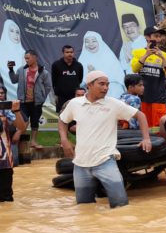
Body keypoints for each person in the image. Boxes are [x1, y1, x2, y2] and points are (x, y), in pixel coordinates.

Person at [58, 71, 151, 208]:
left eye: (107, 84)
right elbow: (62, 120)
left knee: (120, 206)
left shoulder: (113, 104)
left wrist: (146, 139)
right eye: (101, 84)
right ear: (89, 85)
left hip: (106, 161)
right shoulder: (75, 104)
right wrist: (64, 140)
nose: (106, 88)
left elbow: (140, 116)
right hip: (80, 163)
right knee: (84, 207)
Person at [131, 26, 166, 127]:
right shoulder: (138, 52)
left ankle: (159, 142)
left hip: (158, 96)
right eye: (155, 36)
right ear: (147, 37)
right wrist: (146, 55)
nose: (158, 39)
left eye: (160, 36)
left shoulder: (165, 55)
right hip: (143, 96)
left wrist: (162, 58)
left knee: (158, 125)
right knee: (145, 123)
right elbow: (134, 68)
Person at [8, 50, 52, 149]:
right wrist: (11, 70)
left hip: (36, 102)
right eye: (25, 58)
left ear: (35, 57)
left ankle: (33, 141)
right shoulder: (21, 70)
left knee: (35, 122)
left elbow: (48, 86)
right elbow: (14, 80)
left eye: (28, 58)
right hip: (23, 101)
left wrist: (42, 97)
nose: (26, 60)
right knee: (22, 120)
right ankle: (18, 137)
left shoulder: (43, 72)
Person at [79, 31, 126, 99]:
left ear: (99, 42)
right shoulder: (82, 59)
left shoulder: (109, 56)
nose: (90, 44)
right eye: (87, 42)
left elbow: (118, 78)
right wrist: (89, 75)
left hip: (113, 92)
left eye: (94, 41)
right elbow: (80, 83)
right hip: (92, 95)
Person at [0, 94, 25, 201]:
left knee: (6, 199)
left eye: (1, 93)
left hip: (4, 160)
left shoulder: (5, 110)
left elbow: (21, 127)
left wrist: (16, 111)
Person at [51, 45, 84, 113]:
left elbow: (80, 79)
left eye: (71, 52)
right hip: (61, 97)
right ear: (63, 53)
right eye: (67, 52)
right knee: (62, 117)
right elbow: (54, 80)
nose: (69, 54)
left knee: (75, 116)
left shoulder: (79, 65)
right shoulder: (56, 65)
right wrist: (56, 94)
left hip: (75, 97)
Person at [0, 19, 27, 100]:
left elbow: (24, 75)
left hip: (21, 94)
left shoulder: (24, 53)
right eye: (11, 31)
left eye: (17, 32)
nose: (15, 35)